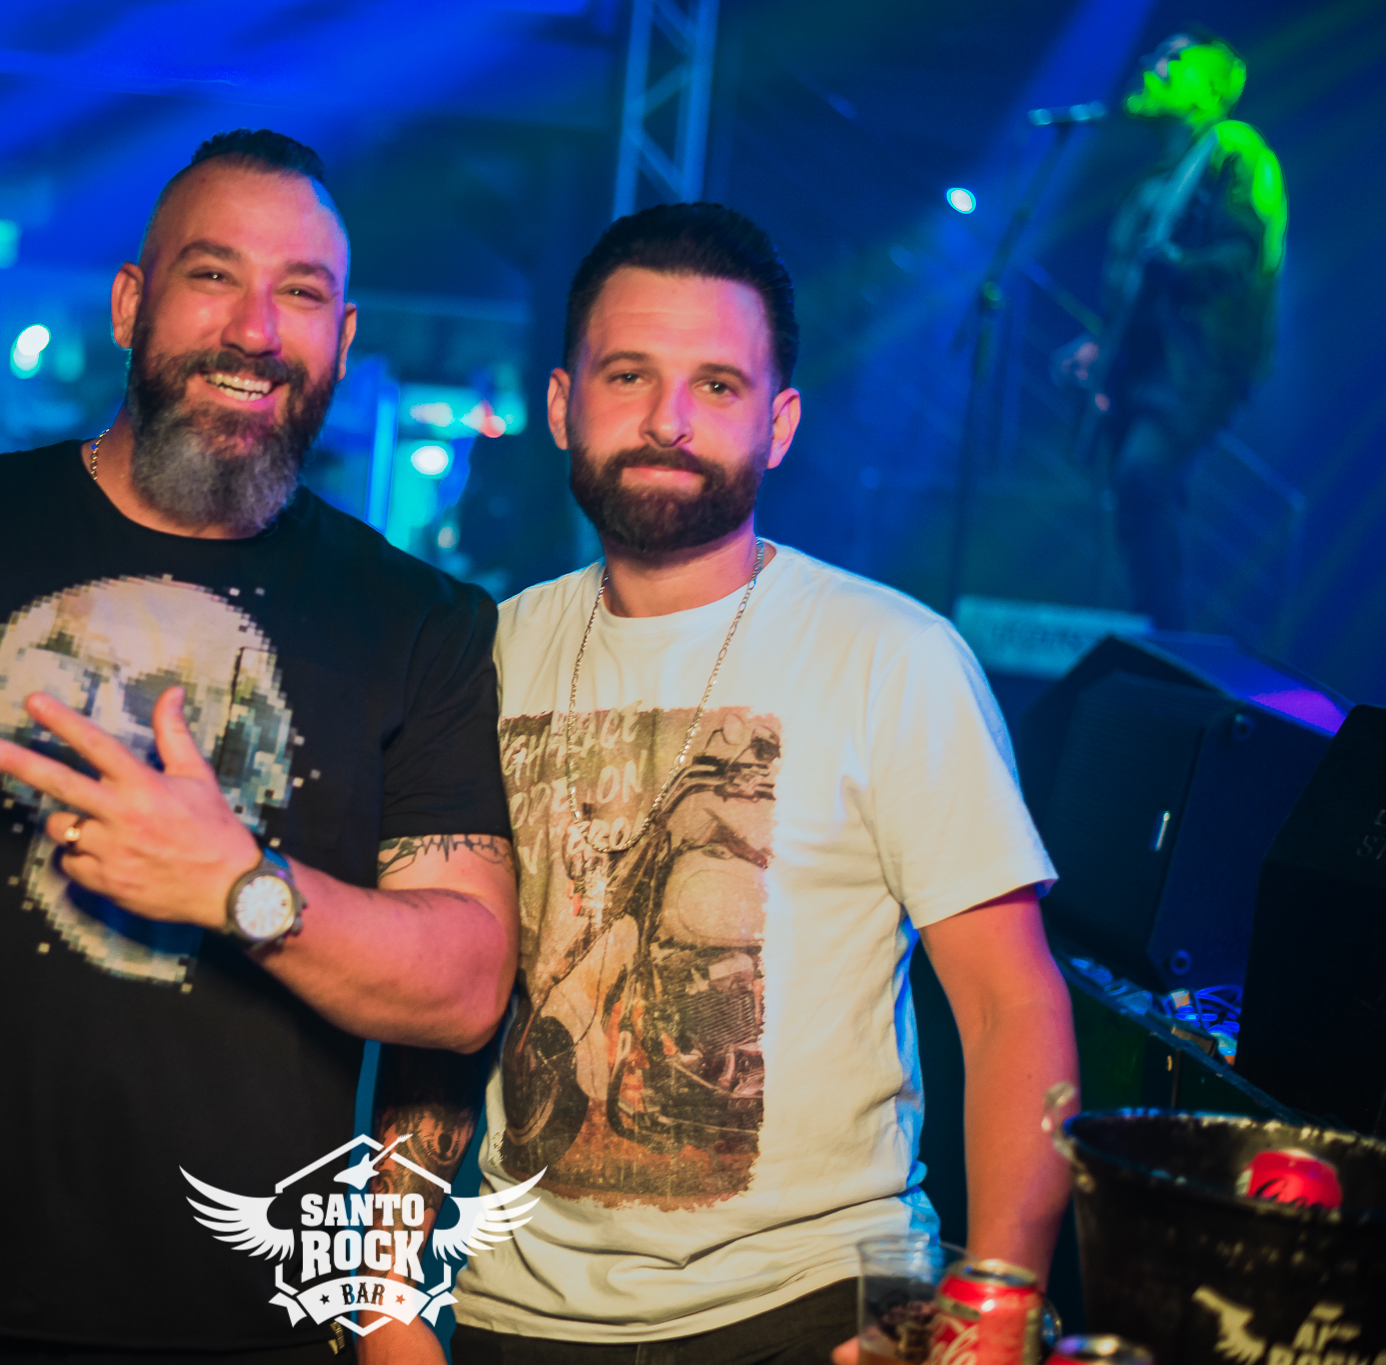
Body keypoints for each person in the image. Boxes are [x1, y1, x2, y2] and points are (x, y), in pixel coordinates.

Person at [0, 129, 518, 1365]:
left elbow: (464, 980)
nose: (254, 331)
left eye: (299, 294)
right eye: (212, 275)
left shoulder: (418, 623)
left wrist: (238, 887)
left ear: (340, 338)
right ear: (130, 304)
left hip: (244, 1337)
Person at [446, 204, 1078, 1364]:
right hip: (510, 1313)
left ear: (777, 423)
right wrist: (384, 1299)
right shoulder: (483, 654)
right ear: (561, 403)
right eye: (628, 375)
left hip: (813, 1306)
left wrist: (997, 1299)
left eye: (718, 385)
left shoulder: (891, 656)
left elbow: (1008, 1005)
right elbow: (432, 1003)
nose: (667, 420)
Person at [1057, 28, 1284, 629]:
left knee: (1144, 476)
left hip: (1198, 369)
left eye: (1173, 59)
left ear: (1208, 89)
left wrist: (1179, 266)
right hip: (1144, 373)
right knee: (1139, 500)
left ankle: (1164, 641)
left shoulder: (1234, 151)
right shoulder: (1151, 186)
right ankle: (1155, 633)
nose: (1150, 62)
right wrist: (1099, 348)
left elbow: (1246, 254)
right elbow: (1127, 296)